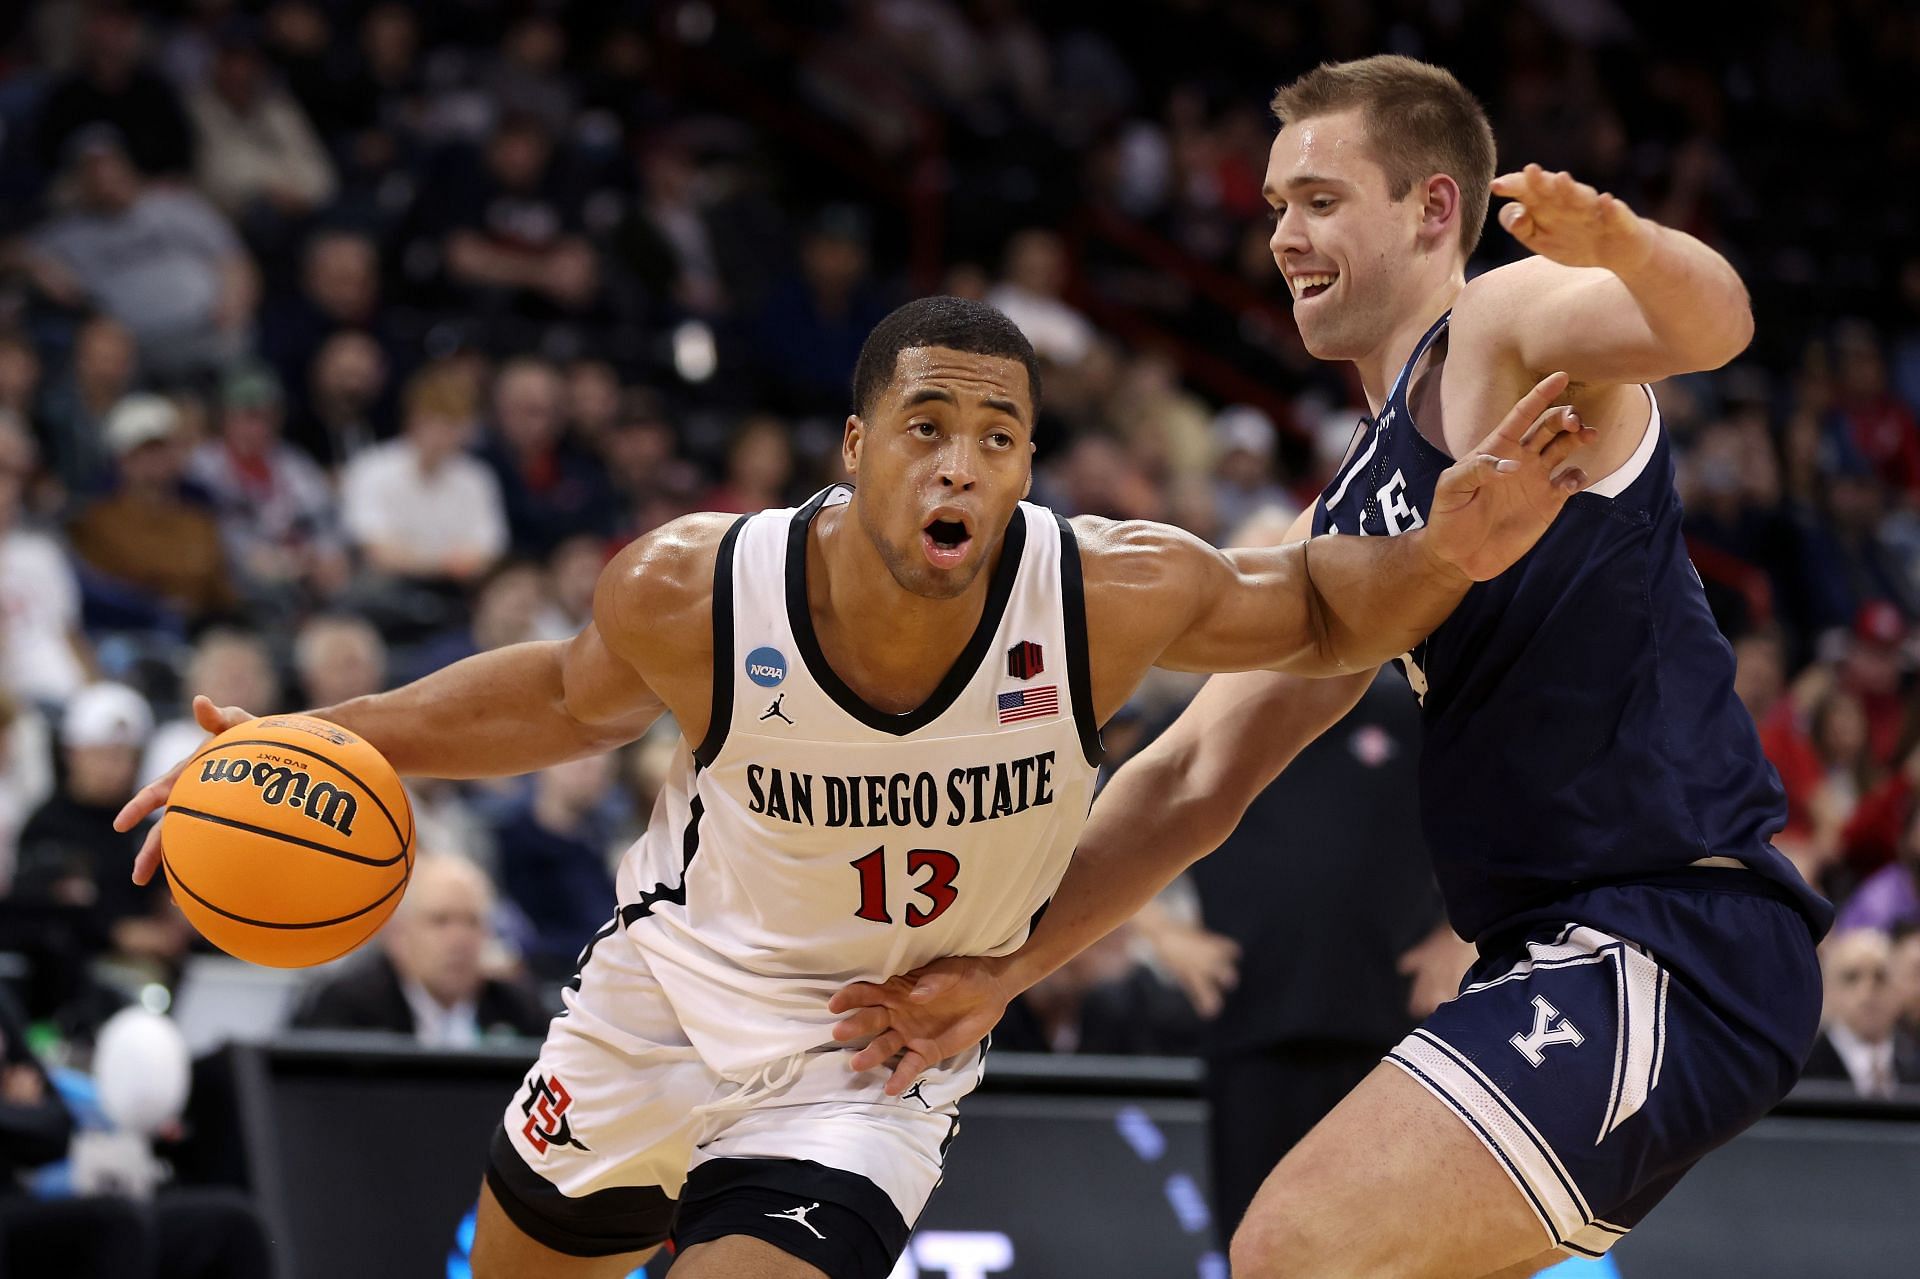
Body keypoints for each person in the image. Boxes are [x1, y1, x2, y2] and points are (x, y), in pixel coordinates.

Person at [121, 296, 1587, 1279]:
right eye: (930, 428)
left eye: (1000, 437)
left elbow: (1328, 612)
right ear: (857, 447)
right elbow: (558, 698)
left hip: (873, 1052)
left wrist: (1447, 550)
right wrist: (318, 727)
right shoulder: (706, 582)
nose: (963, 464)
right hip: (661, 1004)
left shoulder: (1105, 588)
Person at [832, 57, 1833, 1278]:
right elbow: (1197, 773)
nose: (1285, 237)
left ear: (1430, 210)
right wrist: (1000, 971)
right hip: (1554, 946)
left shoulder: (1504, 330)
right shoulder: (1346, 517)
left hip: (1669, 932)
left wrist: (1624, 243)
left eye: (1317, 200)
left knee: (1300, 1246)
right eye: (1271, 210)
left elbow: (1713, 323)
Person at [290, 854, 550, 1045]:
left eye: (473, 922)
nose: (459, 939)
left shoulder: (518, 1008)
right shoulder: (348, 1008)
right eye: (440, 921)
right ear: (398, 936)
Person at [1799, 929, 1920, 1096]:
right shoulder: (1802, 1070)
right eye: (1851, 977)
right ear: (1827, 990)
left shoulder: (1913, 1063)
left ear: (1897, 988)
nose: (1867, 991)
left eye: (1881, 976)